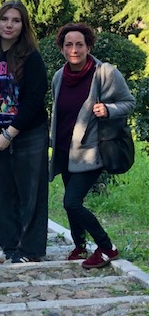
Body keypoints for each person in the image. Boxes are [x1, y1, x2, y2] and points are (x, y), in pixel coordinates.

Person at [49, 23, 134, 269]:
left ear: (89, 47)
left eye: (79, 44)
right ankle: (80, 246)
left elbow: (129, 102)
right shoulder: (59, 76)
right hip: (65, 150)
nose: (74, 49)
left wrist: (108, 109)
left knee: (71, 202)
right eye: (68, 45)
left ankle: (107, 247)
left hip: (91, 151)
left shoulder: (105, 73)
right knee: (70, 200)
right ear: (62, 48)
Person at [0, 0, 49, 264]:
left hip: (28, 132)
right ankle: (9, 245)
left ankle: (30, 250)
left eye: (16, 20)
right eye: (5, 19)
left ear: (23, 25)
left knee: (31, 193)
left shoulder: (31, 57)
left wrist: (10, 133)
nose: (9, 25)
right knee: (0, 193)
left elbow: (34, 99)